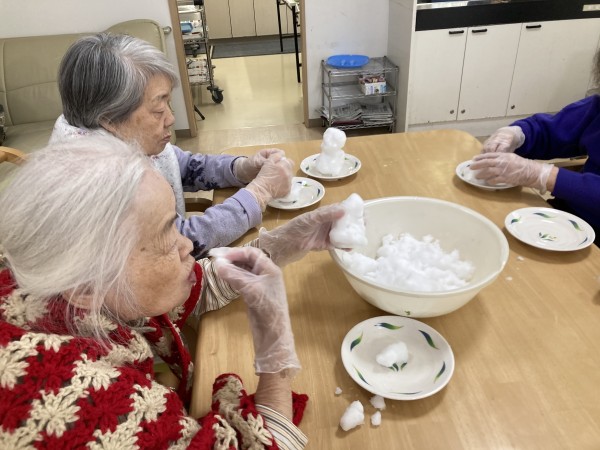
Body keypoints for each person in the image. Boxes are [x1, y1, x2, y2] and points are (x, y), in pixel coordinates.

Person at [0, 136, 346, 448]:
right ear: (86, 287)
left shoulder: (60, 274)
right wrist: (276, 356)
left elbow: (194, 283)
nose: (187, 245)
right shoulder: (84, 409)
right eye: (168, 232)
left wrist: (283, 243)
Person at [50, 32, 294, 258]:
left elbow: (183, 165)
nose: (170, 118)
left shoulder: (113, 134)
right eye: (158, 110)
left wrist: (241, 168)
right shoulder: (99, 181)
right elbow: (180, 244)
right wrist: (259, 193)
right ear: (110, 119)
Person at [470, 48, 600, 239]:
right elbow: (552, 131)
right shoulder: (596, 108)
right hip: (570, 217)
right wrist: (516, 134)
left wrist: (543, 175)